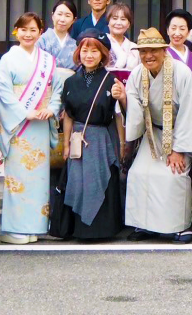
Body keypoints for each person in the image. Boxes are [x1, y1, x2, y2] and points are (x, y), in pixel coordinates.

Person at [124, 28, 192, 244]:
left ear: (164, 50)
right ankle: (145, 225)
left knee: (172, 176)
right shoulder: (137, 73)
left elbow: (191, 112)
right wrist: (123, 99)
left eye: (153, 50)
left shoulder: (181, 72)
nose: (148, 56)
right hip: (153, 134)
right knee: (139, 173)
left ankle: (177, 227)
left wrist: (179, 150)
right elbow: (134, 107)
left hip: (180, 135)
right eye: (143, 52)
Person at [0, 12, 66, 244]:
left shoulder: (47, 60)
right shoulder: (8, 59)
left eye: (33, 30)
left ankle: (34, 226)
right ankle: (13, 229)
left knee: (38, 179)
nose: (28, 34)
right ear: (16, 31)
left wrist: (52, 109)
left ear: (40, 33)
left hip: (41, 125)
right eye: (23, 29)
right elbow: (4, 92)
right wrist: (26, 112)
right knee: (18, 176)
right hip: (19, 125)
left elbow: (56, 89)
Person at [55, 31, 127, 240]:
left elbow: (119, 115)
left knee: (100, 182)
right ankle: (78, 228)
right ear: (78, 52)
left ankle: (102, 229)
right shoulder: (71, 82)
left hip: (101, 139)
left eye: (94, 50)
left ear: (103, 54)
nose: (89, 55)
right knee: (78, 182)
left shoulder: (111, 80)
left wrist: (122, 144)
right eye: (85, 50)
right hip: (78, 138)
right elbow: (68, 115)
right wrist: (67, 144)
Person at [165, 9, 192, 100]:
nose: (177, 33)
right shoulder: (162, 56)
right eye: (173, 28)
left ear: (188, 32)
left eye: (182, 29)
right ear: (167, 31)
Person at [37, 0, 79, 71]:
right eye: (59, 14)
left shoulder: (75, 45)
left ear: (74, 20)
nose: (62, 19)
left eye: (67, 16)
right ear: (53, 16)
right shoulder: (41, 41)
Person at [105, 3, 140, 70]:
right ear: (108, 22)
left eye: (123, 19)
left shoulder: (135, 48)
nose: (118, 23)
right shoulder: (100, 44)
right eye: (115, 18)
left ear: (128, 24)